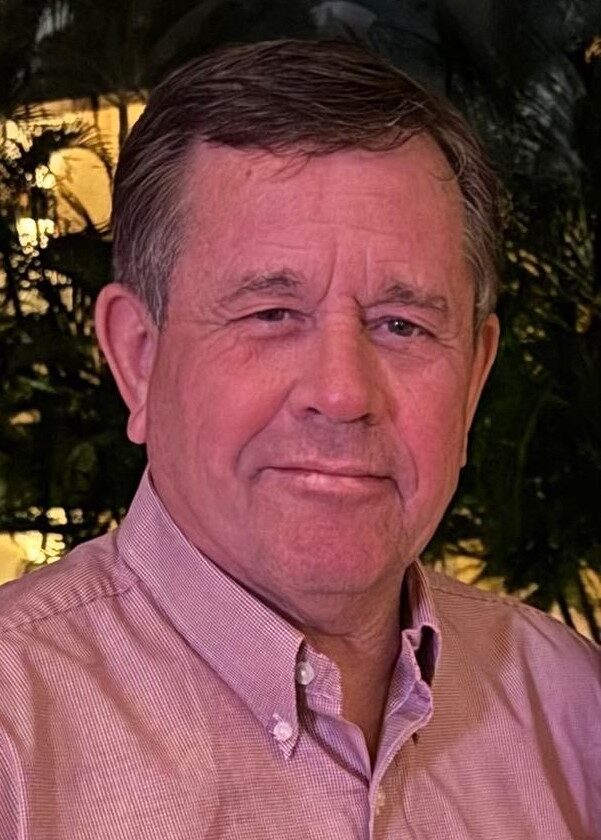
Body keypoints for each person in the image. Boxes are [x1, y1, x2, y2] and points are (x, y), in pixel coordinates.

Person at [0, 38, 599, 840]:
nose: (342, 394)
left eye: (402, 324)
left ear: (473, 379)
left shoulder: (571, 708)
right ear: (138, 357)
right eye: (272, 315)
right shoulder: (16, 739)